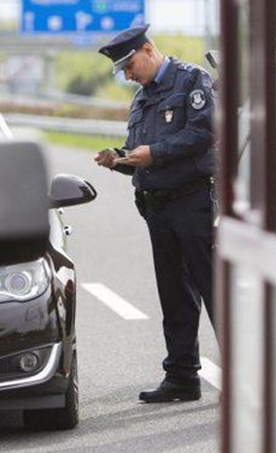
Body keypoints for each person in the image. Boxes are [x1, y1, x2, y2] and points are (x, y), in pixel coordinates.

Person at [94, 24, 216, 403]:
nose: (128, 76)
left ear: (147, 50)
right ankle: (182, 376)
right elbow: (140, 152)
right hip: (158, 207)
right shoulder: (142, 99)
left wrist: (154, 154)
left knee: (214, 289)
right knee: (174, 296)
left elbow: (205, 132)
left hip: (192, 202)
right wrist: (120, 159)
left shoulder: (191, 81)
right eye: (123, 71)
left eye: (130, 66)